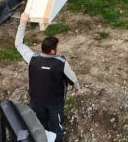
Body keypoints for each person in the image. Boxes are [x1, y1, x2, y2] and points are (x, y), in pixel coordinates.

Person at [16, 12, 80, 142]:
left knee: (40, 126)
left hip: (36, 100)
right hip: (55, 103)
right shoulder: (61, 63)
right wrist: (76, 86)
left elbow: (18, 44)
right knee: (57, 127)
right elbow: (71, 77)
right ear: (52, 51)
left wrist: (23, 23)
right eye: (57, 47)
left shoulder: (32, 59)